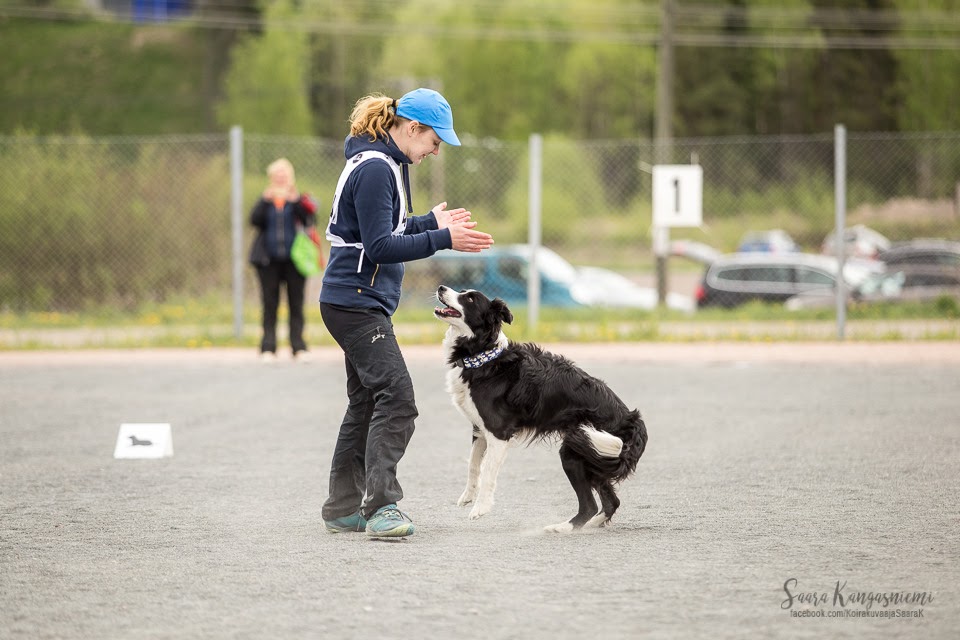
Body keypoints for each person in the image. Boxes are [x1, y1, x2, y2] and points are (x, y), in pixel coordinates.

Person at [320, 88, 494, 538]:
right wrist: (443, 239)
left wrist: (429, 224)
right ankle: (381, 508)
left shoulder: (382, 162)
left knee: (365, 403)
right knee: (398, 400)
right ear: (412, 128)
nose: (435, 152)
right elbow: (379, 247)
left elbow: (386, 229)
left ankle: (342, 508)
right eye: (435, 142)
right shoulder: (379, 168)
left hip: (354, 299)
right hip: (356, 302)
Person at [248, 157, 319, 363]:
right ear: (271, 178)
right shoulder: (266, 200)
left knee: (296, 304)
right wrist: (264, 200)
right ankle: (268, 347)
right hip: (268, 260)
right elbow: (254, 220)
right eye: (277, 176)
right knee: (269, 304)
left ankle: (298, 346)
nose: (280, 180)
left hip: (294, 261)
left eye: (284, 176)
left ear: (290, 177)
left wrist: (296, 200)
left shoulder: (299, 199)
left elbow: (310, 220)